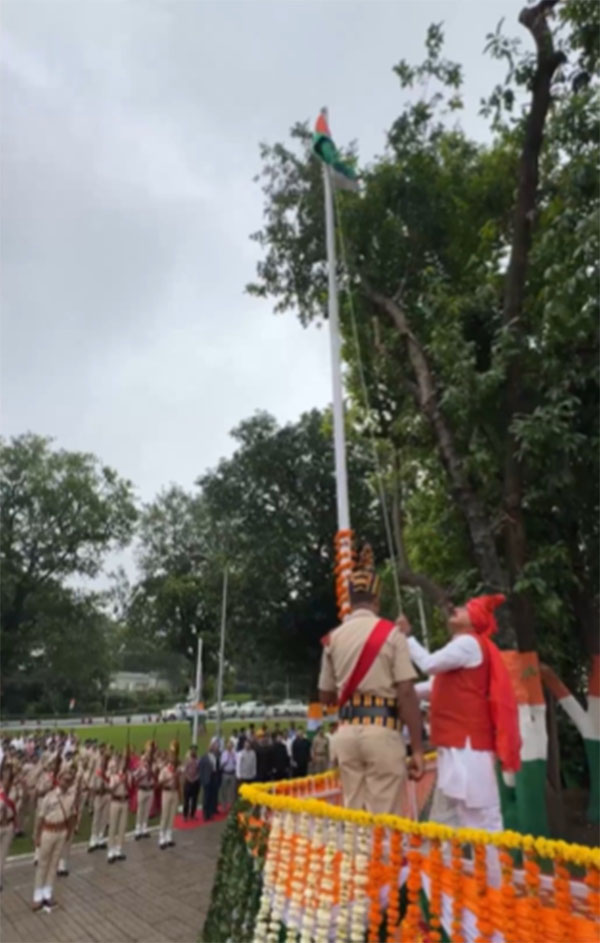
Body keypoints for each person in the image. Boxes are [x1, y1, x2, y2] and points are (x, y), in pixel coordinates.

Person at [399, 593, 521, 834]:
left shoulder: (469, 643)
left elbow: (429, 664)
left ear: (474, 619)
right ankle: (458, 868)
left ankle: (490, 871)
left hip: (467, 743)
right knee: (460, 816)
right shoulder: (462, 646)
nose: (456, 608)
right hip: (458, 742)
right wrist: (400, 693)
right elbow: (433, 687)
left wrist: (406, 636)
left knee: (481, 817)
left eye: (465, 608)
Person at [318, 543, 423, 814]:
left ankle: (358, 857)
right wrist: (418, 748)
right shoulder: (391, 634)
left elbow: (325, 696)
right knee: (385, 820)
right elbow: (407, 691)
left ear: (351, 601)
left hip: (346, 734)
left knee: (354, 817)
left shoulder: (333, 638)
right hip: (381, 730)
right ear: (377, 600)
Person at [32, 764, 76, 911]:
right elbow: (40, 818)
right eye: (64, 780)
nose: (66, 783)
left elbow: (72, 816)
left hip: (61, 831)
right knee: (43, 864)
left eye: (69, 781)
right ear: (58, 780)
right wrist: (37, 836)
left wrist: (69, 832)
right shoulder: (49, 796)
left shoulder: (70, 797)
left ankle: (47, 893)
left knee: (54, 864)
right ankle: (37, 896)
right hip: (48, 831)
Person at [107, 750, 131, 863]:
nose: (122, 764)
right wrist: (118, 780)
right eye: (120, 762)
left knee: (122, 826)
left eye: (123, 762)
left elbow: (130, 787)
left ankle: (119, 849)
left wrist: (127, 777)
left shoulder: (128, 774)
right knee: (113, 826)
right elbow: (110, 788)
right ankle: (110, 850)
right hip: (115, 801)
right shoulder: (113, 775)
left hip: (125, 801)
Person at [157, 741, 181, 849]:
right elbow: (159, 783)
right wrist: (168, 779)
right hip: (166, 792)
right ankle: (161, 836)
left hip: (174, 792)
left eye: (174, 758)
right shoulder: (165, 770)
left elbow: (179, 782)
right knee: (165, 814)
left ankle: (168, 835)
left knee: (172, 815)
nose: (173, 760)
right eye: (171, 758)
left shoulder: (177, 770)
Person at [88, 746, 111, 851]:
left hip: (107, 795)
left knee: (104, 817)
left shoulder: (109, 772)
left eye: (107, 760)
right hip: (98, 795)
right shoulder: (97, 773)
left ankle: (101, 837)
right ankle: (93, 838)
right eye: (104, 760)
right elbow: (92, 786)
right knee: (96, 817)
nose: (105, 762)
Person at [0, 761, 18, 891]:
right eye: (5, 775)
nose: (7, 778)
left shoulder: (14, 790)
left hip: (9, 825)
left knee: (3, 854)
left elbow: (16, 805)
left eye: (9, 775)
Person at [133, 742, 156, 838]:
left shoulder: (153, 764)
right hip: (142, 789)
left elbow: (155, 775)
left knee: (147, 809)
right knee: (140, 810)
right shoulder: (141, 764)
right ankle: (138, 829)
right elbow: (135, 775)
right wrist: (143, 768)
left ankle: (144, 827)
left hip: (150, 789)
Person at [198, 741, 219, 821]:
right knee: (206, 797)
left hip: (213, 777)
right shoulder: (204, 757)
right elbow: (201, 769)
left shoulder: (215, 756)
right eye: (210, 747)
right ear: (208, 748)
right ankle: (205, 813)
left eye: (213, 747)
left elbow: (216, 767)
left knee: (212, 796)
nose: (212, 748)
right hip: (207, 778)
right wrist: (202, 779)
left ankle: (210, 813)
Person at [182, 746, 201, 820]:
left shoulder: (198, 761)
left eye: (194, 751)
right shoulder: (187, 761)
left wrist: (196, 778)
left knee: (194, 800)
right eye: (192, 751)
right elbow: (184, 771)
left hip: (196, 782)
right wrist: (189, 778)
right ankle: (185, 815)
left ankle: (192, 814)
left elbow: (199, 770)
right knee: (186, 800)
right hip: (188, 782)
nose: (193, 753)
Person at [219, 739, 237, 810]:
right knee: (224, 790)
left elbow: (237, 762)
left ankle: (232, 805)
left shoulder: (235, 753)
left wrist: (233, 757)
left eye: (230, 745)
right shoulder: (224, 754)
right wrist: (226, 760)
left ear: (232, 746)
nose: (229, 747)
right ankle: (224, 805)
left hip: (232, 773)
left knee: (232, 791)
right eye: (228, 746)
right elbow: (221, 765)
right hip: (225, 773)